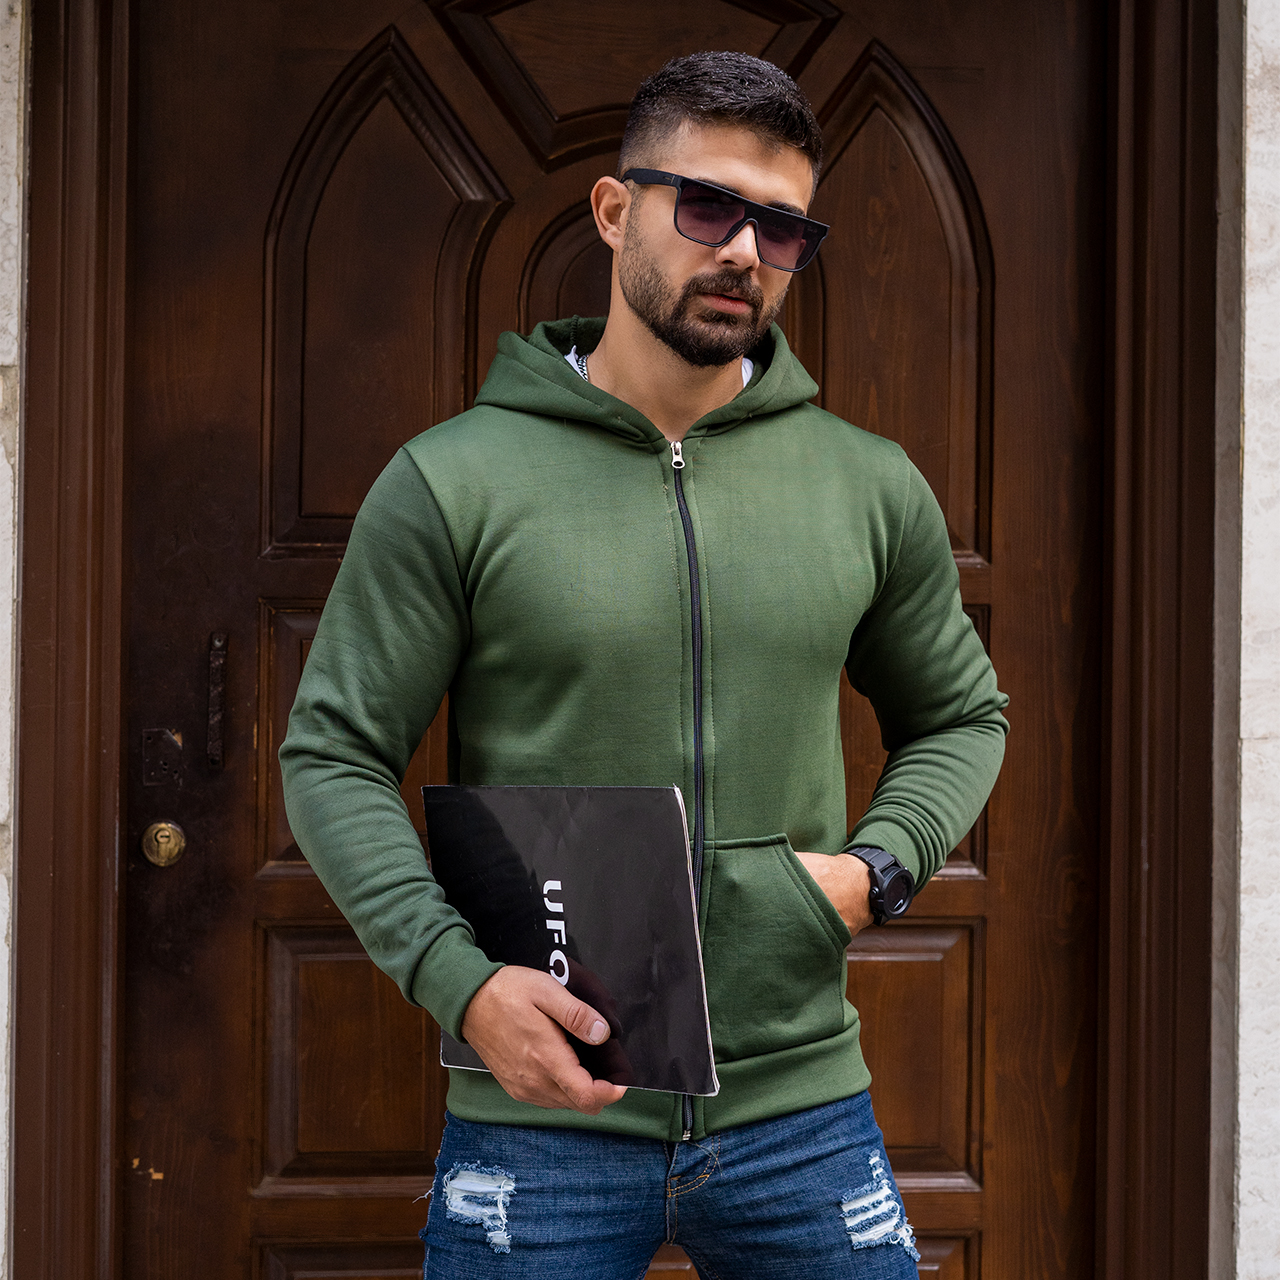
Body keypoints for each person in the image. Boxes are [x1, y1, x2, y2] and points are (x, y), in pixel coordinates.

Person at [281, 50, 1008, 1279]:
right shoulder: (453, 481)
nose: (744, 251)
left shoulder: (866, 484)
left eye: (782, 228)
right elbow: (333, 753)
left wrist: (874, 871)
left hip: (799, 1110)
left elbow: (960, 715)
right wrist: (460, 985)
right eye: (708, 207)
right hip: (540, 1118)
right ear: (614, 210)